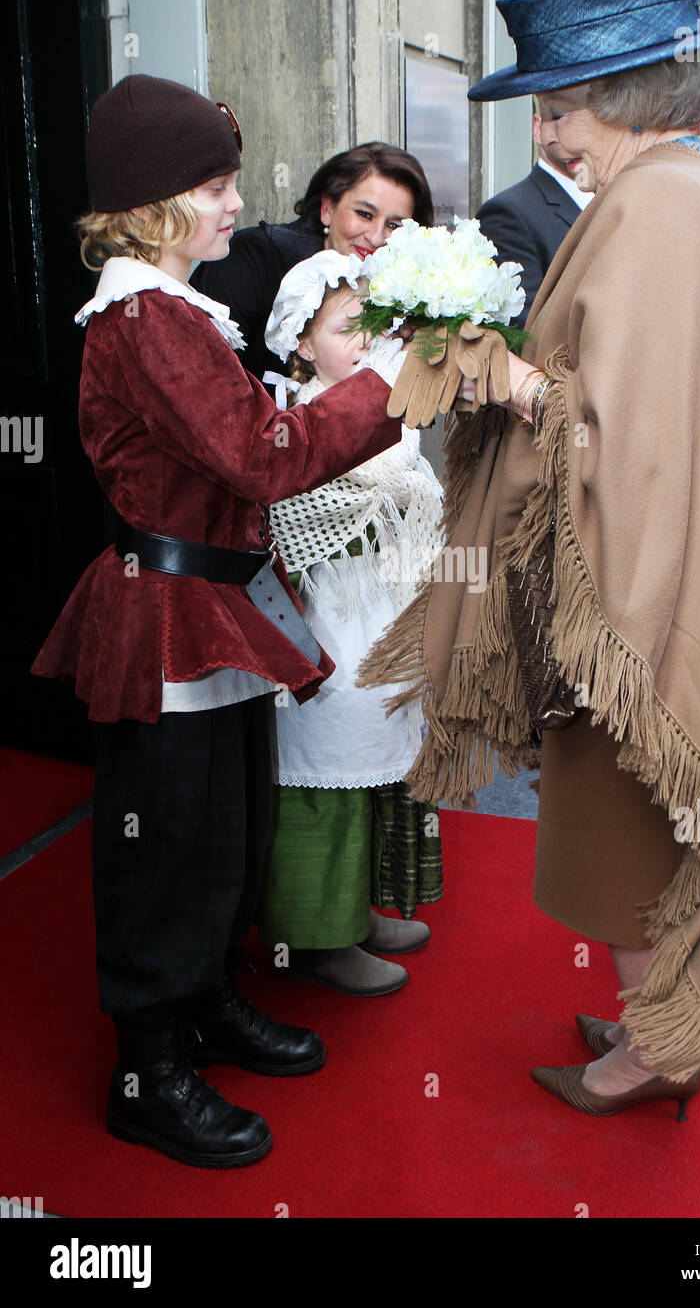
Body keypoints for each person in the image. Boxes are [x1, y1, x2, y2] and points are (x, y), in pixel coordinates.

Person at [358, 0, 700, 1118]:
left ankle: (650, 1051)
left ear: (620, 94)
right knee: (635, 828)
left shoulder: (657, 202)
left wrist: (500, 375)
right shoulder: (689, 184)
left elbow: (622, 434)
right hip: (660, 571)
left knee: (626, 826)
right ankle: (647, 1020)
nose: (549, 131)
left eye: (557, 104)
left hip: (635, 591)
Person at [29, 75, 418, 1169]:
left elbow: (242, 443)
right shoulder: (144, 316)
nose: (233, 207)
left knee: (223, 832)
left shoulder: (172, 312)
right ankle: (148, 1069)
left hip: (212, 603)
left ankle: (204, 1004)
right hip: (166, 615)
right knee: (165, 847)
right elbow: (260, 457)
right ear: (153, 206)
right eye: (213, 187)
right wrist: (389, 378)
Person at [251, 252, 445, 995]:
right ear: (301, 342)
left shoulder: (383, 410)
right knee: (323, 773)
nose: (367, 338)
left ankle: (356, 911)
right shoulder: (295, 416)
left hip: (380, 615)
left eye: (375, 323)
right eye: (345, 327)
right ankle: (314, 937)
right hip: (324, 626)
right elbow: (300, 515)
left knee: (375, 764)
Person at [191, 142, 434, 380]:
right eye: (364, 214)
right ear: (327, 208)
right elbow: (204, 379)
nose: (376, 236)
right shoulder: (252, 258)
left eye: (393, 225)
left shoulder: (404, 293)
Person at [477, 108, 593, 328]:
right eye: (559, 117)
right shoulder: (508, 213)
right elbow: (529, 328)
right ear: (537, 128)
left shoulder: (616, 199)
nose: (574, 133)